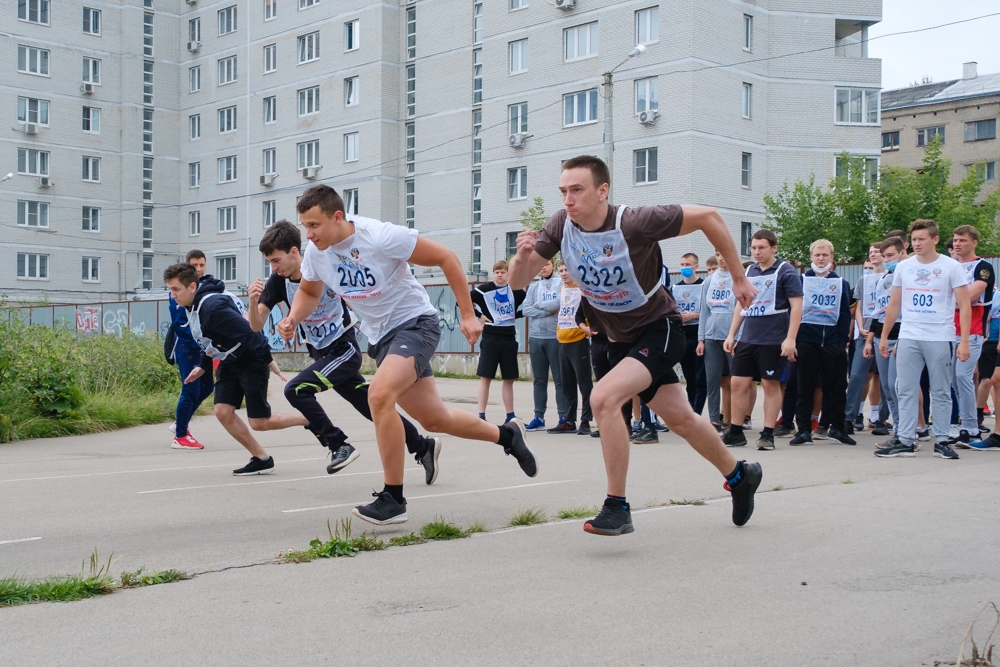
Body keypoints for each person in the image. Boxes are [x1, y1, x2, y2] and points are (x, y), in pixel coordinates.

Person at [508, 155, 762, 536]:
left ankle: (617, 506)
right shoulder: (561, 226)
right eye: (563, 191)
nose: (568, 200)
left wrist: (740, 278)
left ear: (602, 191)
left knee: (603, 399)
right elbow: (518, 281)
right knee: (680, 419)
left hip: (658, 329)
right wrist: (522, 256)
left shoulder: (635, 221)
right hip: (616, 339)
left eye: (577, 190)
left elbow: (709, 216)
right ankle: (740, 475)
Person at [279, 185, 536, 526]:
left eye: (314, 225)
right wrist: (294, 317)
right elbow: (310, 291)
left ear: (337, 217)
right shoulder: (316, 253)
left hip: (416, 324)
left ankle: (393, 497)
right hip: (382, 337)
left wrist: (467, 314)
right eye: (305, 226)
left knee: (379, 394)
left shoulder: (380, 237)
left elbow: (447, 257)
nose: (309, 235)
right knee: (434, 419)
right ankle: (507, 436)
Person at [247, 221, 442, 482]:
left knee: (296, 390)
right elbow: (256, 324)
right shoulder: (277, 282)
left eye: (276, 260)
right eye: (270, 262)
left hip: (343, 348)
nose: (274, 267)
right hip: (321, 353)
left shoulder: (322, 266)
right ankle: (422, 446)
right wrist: (254, 304)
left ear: (294, 252)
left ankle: (338, 444)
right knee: (369, 407)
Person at [164, 263, 310, 475]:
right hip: (229, 360)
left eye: (176, 289)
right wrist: (202, 366)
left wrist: (270, 363)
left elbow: (253, 335)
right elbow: (211, 338)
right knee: (223, 411)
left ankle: (308, 419)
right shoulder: (192, 305)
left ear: (192, 287)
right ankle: (262, 458)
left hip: (251, 359)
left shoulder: (212, 308)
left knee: (259, 422)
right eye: (170, 289)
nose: (173, 294)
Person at [875, 219, 971, 459]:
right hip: (909, 335)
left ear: (935, 239)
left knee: (940, 390)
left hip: (940, 336)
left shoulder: (950, 266)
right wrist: (885, 336)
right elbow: (894, 303)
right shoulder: (904, 268)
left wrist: (965, 340)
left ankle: (942, 440)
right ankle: (906, 440)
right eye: (914, 240)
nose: (917, 244)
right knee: (905, 389)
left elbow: (965, 304)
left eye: (922, 239)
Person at [722, 230, 803, 451]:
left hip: (773, 338)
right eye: (754, 248)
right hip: (749, 337)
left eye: (762, 247)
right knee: (737, 383)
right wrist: (732, 334)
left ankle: (767, 434)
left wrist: (790, 339)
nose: (757, 252)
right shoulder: (749, 270)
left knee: (770, 385)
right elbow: (742, 303)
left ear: (774, 248)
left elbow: (796, 306)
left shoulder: (786, 271)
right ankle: (736, 431)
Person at [787, 240, 855, 446]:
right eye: (817, 255)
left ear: (831, 257)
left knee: (836, 387)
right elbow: (792, 312)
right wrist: (793, 340)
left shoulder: (841, 283)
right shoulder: (801, 281)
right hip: (806, 340)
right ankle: (804, 430)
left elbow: (845, 314)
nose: (821, 258)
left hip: (833, 342)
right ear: (811, 256)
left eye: (825, 255)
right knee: (804, 387)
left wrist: (843, 340)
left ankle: (837, 428)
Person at [948, 225, 994, 448]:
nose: (957, 244)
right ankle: (965, 425)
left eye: (963, 240)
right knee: (955, 380)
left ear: (974, 242)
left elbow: (971, 296)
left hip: (972, 330)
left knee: (964, 376)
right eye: (955, 240)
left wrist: (952, 299)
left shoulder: (982, 267)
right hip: (948, 329)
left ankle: (972, 428)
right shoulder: (949, 266)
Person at [166, 250, 213, 450]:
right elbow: (182, 326)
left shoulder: (203, 287)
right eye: (195, 265)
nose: (199, 269)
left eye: (202, 265)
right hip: (188, 348)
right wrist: (200, 346)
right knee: (190, 390)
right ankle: (180, 435)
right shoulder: (179, 294)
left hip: (203, 350)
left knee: (208, 387)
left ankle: (180, 422)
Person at [471, 260, 526, 422]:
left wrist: (517, 315)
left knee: (509, 378)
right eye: (497, 272)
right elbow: (462, 301)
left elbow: (528, 306)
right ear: (493, 273)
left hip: (509, 337)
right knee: (485, 377)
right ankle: (481, 415)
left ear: (508, 273)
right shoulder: (483, 290)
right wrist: (479, 315)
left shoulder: (516, 291)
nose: (500, 275)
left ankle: (510, 415)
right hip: (490, 338)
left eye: (503, 272)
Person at [864, 237, 905, 446]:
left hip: (900, 337)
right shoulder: (884, 279)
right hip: (882, 337)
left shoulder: (907, 274)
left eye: (890, 256)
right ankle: (898, 428)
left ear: (901, 253)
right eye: (884, 256)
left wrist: (901, 338)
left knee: (897, 386)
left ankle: (905, 431)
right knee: (887, 387)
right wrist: (871, 340)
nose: (887, 259)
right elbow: (878, 312)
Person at [845, 246, 888, 433]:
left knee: (885, 378)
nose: (873, 254)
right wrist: (861, 326)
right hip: (863, 333)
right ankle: (849, 417)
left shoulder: (891, 276)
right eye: (870, 251)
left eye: (877, 251)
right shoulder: (864, 279)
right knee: (856, 375)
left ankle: (882, 419)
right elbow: (860, 307)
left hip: (883, 332)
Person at [546, 261, 593, 434]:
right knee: (567, 384)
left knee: (584, 383)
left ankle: (586, 420)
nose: (564, 273)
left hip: (578, 340)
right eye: (561, 270)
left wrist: (587, 329)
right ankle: (569, 420)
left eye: (567, 270)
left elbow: (588, 314)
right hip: (563, 341)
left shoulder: (584, 291)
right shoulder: (562, 290)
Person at [522, 259, 565, 431]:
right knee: (539, 381)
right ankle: (539, 417)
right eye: (540, 265)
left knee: (559, 380)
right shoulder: (533, 287)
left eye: (546, 264)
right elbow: (525, 310)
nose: (543, 268)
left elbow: (560, 303)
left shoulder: (561, 283)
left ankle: (563, 416)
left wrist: (538, 306)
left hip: (555, 337)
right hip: (536, 338)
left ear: (552, 265)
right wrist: (548, 311)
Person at [697, 249, 736, 432]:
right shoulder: (708, 281)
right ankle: (714, 421)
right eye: (718, 254)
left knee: (736, 382)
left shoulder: (739, 278)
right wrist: (701, 339)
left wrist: (738, 337)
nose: (721, 258)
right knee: (712, 380)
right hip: (711, 336)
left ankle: (734, 421)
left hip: (732, 337)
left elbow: (743, 310)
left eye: (724, 254)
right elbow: (704, 311)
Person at [674, 253, 707, 414]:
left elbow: (709, 311)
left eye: (688, 265)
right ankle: (690, 410)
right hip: (683, 335)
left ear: (696, 267)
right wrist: (679, 317)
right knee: (689, 378)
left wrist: (694, 315)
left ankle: (697, 412)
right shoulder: (676, 287)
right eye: (682, 264)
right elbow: (671, 312)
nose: (684, 268)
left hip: (699, 334)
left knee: (700, 377)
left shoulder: (703, 285)